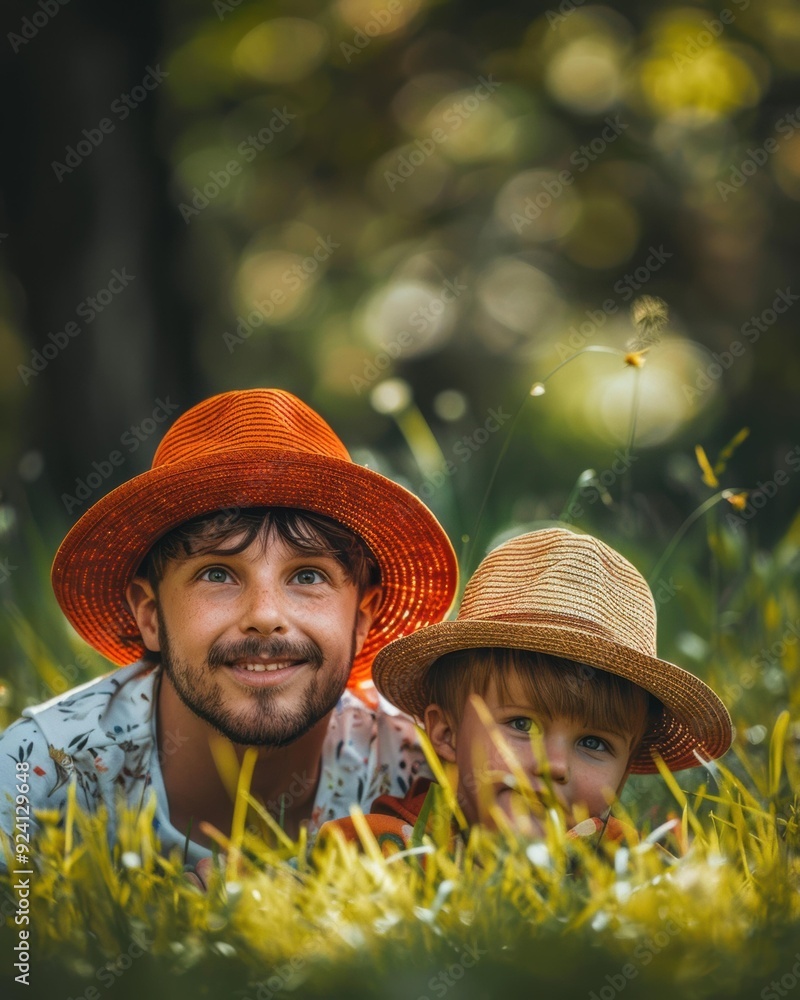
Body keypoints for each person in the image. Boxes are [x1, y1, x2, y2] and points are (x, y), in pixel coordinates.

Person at [0, 388, 458, 867]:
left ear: (362, 619)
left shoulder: (421, 765)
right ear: (151, 615)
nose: (264, 614)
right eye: (217, 573)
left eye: (307, 575)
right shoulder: (39, 775)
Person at [319, 528, 732, 853]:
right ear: (446, 733)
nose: (553, 765)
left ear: (623, 774)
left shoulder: (621, 860)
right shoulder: (381, 847)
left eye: (594, 742)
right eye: (521, 724)